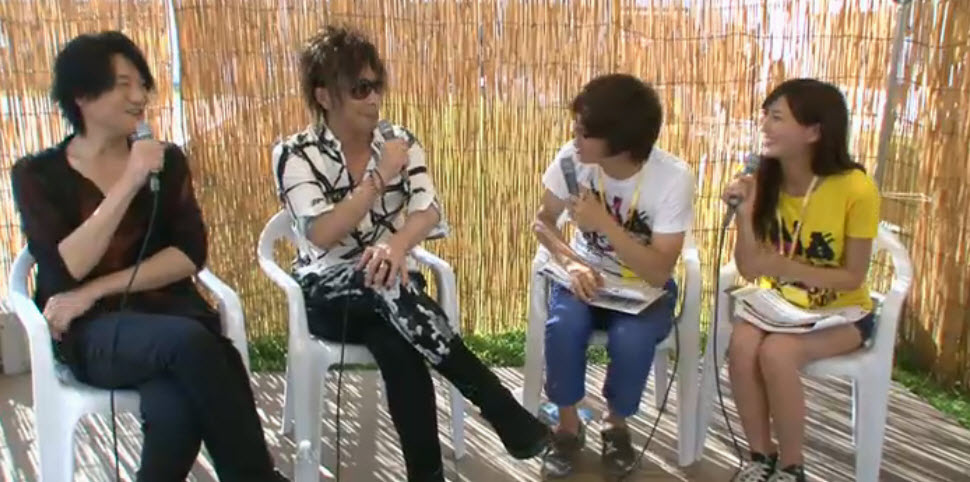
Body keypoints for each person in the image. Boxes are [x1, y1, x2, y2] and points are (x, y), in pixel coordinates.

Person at [272, 25, 550, 482]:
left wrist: (395, 244)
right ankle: (499, 406)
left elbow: (429, 209)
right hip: (326, 292)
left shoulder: (400, 140)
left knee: (397, 342)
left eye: (376, 85)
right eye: (360, 89)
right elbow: (322, 233)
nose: (374, 98)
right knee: (383, 285)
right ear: (324, 96)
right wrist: (379, 177)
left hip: (393, 286)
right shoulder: (294, 154)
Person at [10, 31, 286, 481]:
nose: (140, 97)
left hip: (170, 316)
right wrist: (130, 181)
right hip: (95, 333)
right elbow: (69, 267)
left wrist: (95, 290)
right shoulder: (37, 175)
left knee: (174, 406)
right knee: (194, 343)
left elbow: (189, 254)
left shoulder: (168, 162)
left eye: (142, 84)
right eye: (123, 85)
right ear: (82, 95)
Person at [532, 74, 695, 477]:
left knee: (632, 338)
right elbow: (543, 221)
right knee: (564, 325)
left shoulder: (672, 178)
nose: (574, 137)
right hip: (585, 277)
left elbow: (658, 271)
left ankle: (615, 423)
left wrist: (604, 224)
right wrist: (572, 262)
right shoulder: (572, 159)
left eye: (585, 132)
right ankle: (567, 425)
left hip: (642, 288)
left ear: (621, 141)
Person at [721, 78, 880, 482]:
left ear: (813, 131)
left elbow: (853, 277)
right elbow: (751, 268)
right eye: (765, 116)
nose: (764, 126)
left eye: (777, 118)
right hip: (779, 305)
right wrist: (744, 215)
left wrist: (787, 268)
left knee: (777, 353)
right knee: (741, 346)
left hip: (841, 313)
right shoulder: (764, 181)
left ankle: (793, 467)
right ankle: (761, 457)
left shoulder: (856, 188)